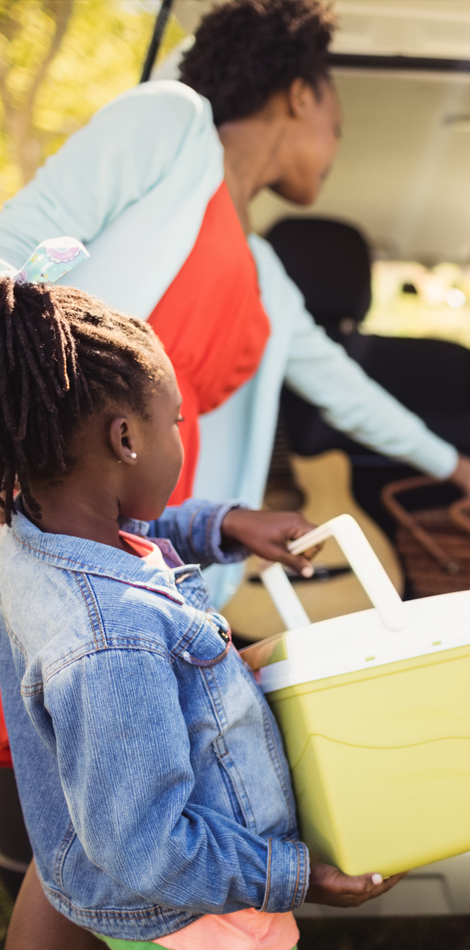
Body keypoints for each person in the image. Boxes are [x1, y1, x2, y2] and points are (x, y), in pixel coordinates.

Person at [0, 0, 470, 601]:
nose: (334, 154)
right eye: (337, 129)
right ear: (300, 96)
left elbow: (343, 389)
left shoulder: (265, 272)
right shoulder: (170, 123)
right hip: (59, 503)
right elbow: (14, 243)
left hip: (156, 530)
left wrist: (459, 469)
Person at [0, 262, 404, 948]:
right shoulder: (114, 638)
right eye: (177, 423)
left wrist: (225, 524)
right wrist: (295, 876)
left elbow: (130, 537)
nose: (182, 441)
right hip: (201, 923)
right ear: (125, 439)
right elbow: (148, 847)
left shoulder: (31, 538)